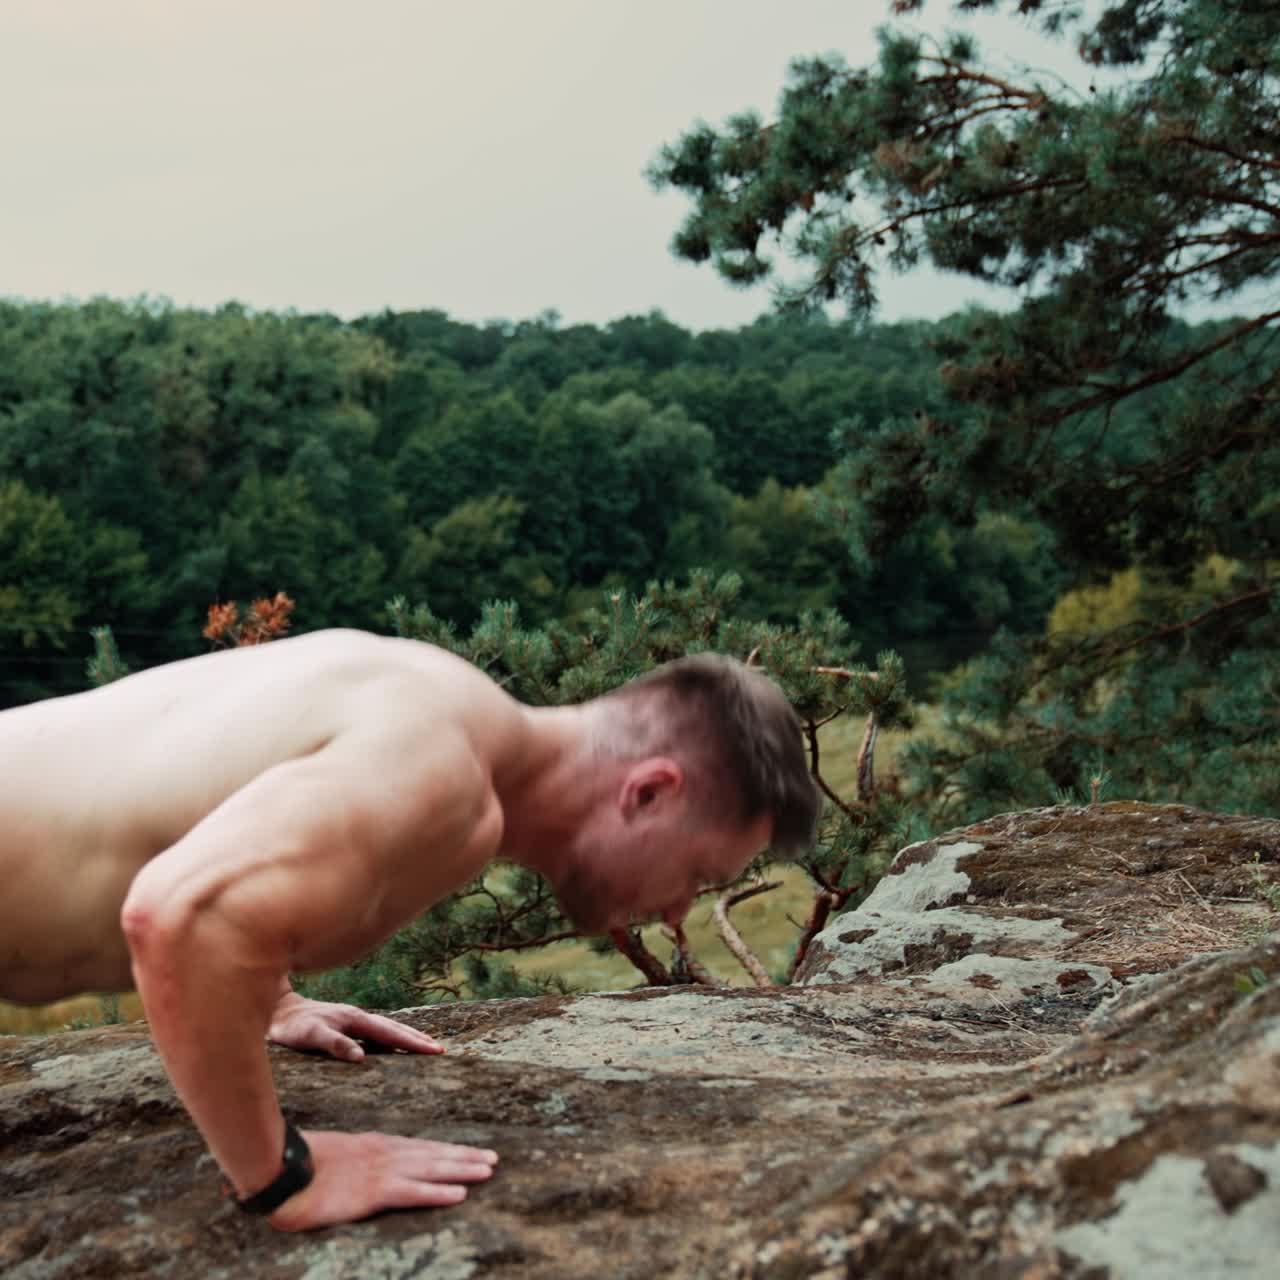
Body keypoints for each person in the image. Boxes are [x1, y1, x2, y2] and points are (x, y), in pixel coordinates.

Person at [0, 628, 820, 1231]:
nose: (680, 911)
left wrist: (267, 996)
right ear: (649, 794)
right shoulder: (443, 771)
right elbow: (179, 916)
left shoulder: (446, 706)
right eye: (699, 875)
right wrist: (283, 1175)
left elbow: (218, 809)